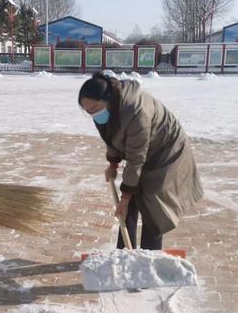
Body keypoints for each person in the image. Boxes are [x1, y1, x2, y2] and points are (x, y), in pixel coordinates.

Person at [78, 72, 203, 250]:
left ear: (108, 99)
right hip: (144, 148)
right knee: (128, 206)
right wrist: (113, 163)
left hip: (166, 150)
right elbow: (111, 136)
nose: (92, 113)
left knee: (153, 207)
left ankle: (149, 256)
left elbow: (136, 159)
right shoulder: (102, 109)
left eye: (94, 108)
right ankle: (125, 253)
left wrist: (126, 197)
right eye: (87, 111)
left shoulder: (136, 111)